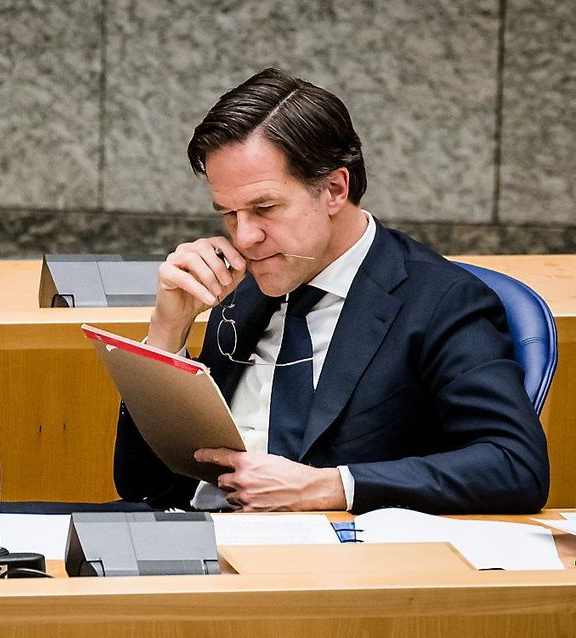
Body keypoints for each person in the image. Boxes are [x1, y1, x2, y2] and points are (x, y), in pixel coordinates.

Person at [114, 68, 549, 514]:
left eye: (264, 208)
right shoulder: (241, 284)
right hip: (189, 535)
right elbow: (141, 484)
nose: (244, 237)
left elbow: (515, 465)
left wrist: (330, 487)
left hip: (329, 558)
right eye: (228, 213)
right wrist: (167, 335)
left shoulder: (439, 300)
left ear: (335, 189)